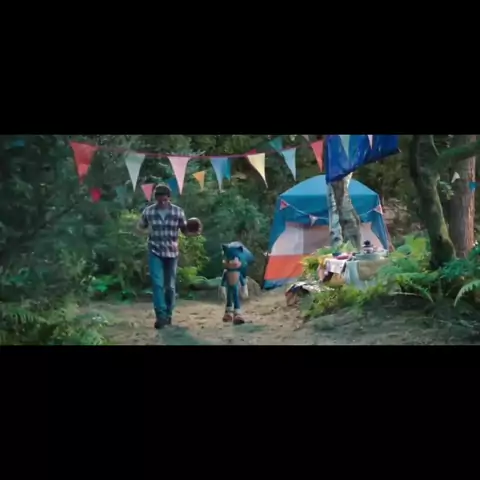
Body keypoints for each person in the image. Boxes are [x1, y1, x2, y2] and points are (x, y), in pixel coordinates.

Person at [137, 183, 201, 329]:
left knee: (170, 286)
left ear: (169, 198)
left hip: (172, 253)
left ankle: (168, 314)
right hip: (155, 251)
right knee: (157, 284)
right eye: (159, 200)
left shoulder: (178, 212)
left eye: (165, 200)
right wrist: (144, 231)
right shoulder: (149, 211)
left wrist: (194, 233)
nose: (162, 203)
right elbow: (140, 226)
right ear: (155, 199)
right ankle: (160, 316)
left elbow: (185, 231)